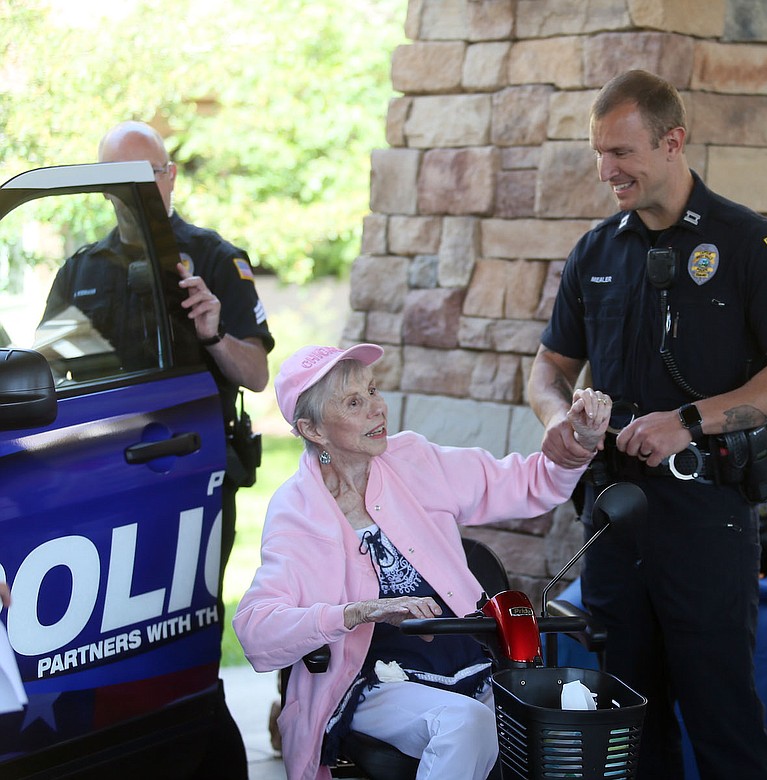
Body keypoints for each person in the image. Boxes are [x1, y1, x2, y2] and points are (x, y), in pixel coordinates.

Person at [527, 69, 767, 779]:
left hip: (706, 515)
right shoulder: (596, 251)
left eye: (622, 153)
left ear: (672, 143)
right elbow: (545, 370)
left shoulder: (751, 243)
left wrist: (688, 423)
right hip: (613, 516)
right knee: (623, 726)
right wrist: (557, 418)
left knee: (722, 718)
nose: (607, 171)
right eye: (599, 153)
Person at [232, 343, 611, 780]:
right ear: (312, 429)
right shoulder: (297, 510)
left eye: (373, 391)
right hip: (371, 681)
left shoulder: (412, 458)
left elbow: (531, 483)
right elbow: (256, 630)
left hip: (466, 658)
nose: (378, 409)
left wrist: (580, 441)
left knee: (561, 726)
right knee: (464, 725)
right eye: (355, 402)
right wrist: (356, 613)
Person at [41, 120, 274, 777]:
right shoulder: (82, 270)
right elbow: (46, 373)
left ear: (170, 177)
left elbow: (255, 373)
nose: (133, 195)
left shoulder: (214, 257)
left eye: (146, 179)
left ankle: (201, 749)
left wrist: (211, 332)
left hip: (188, 473)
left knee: (185, 627)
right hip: (96, 481)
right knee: (103, 632)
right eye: (115, 184)